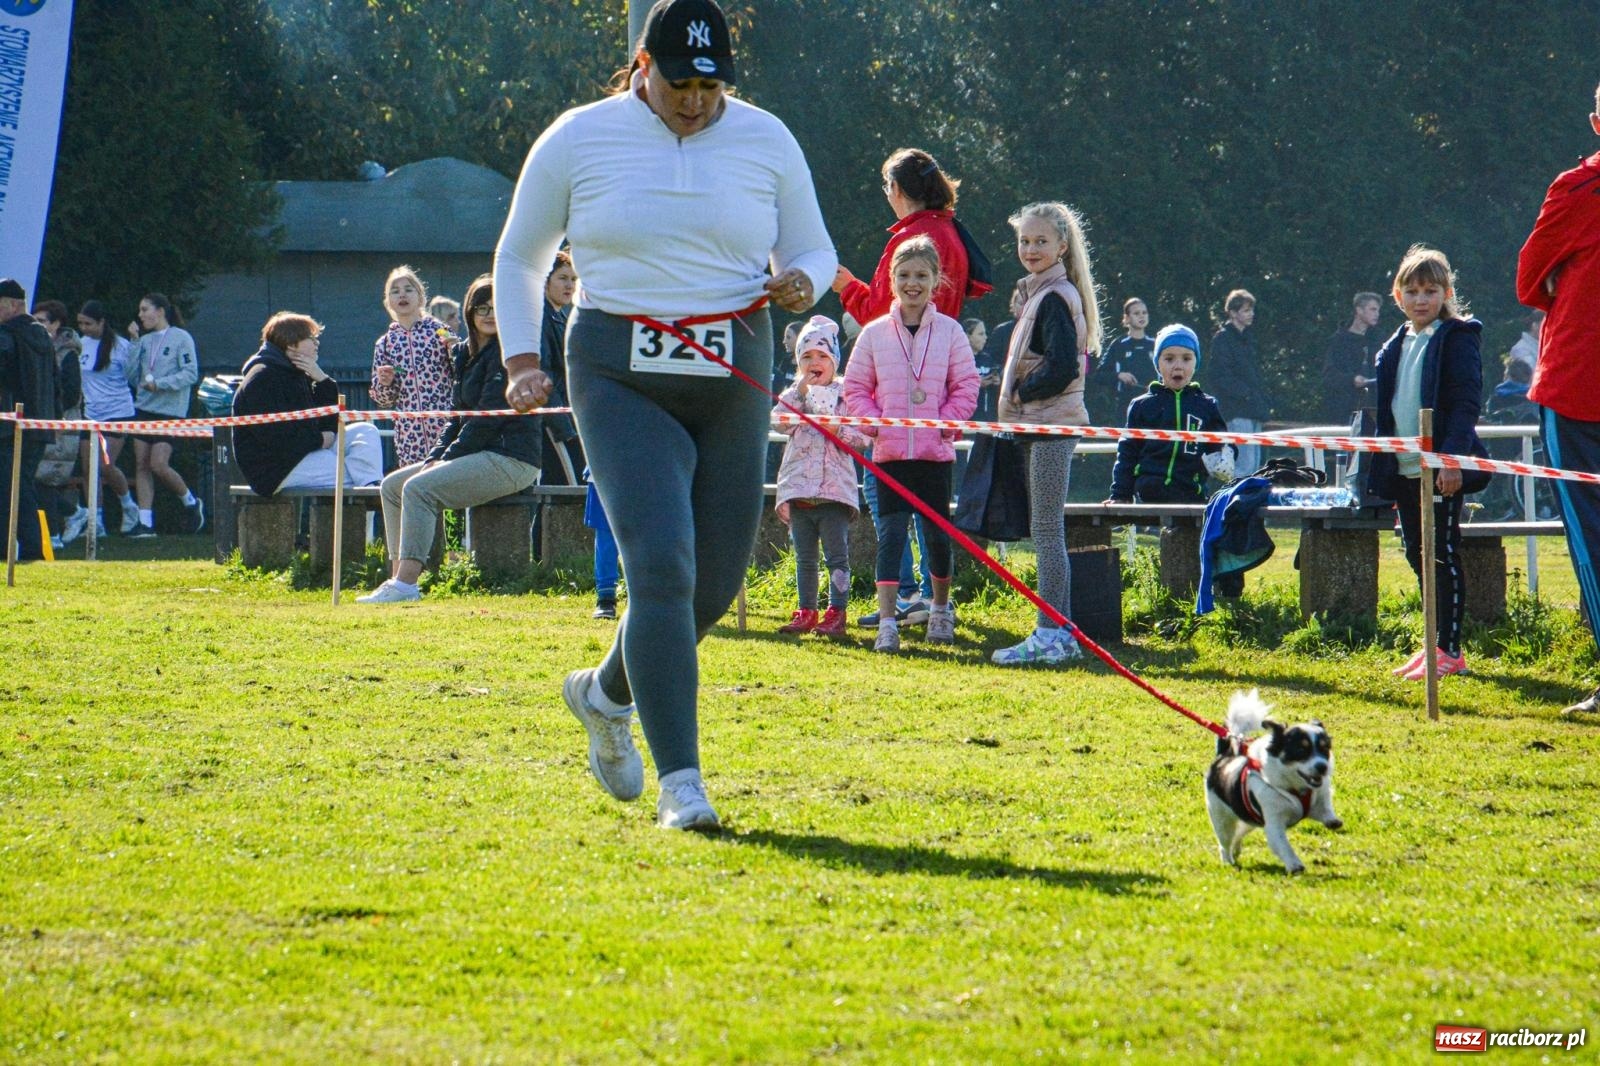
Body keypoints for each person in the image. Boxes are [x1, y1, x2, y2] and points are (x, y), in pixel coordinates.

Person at [493, 0, 835, 830]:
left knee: (711, 589)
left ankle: (603, 693)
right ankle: (684, 786)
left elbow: (815, 247)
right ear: (642, 65)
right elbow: (519, 254)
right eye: (679, 84)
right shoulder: (578, 136)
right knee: (660, 568)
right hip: (619, 370)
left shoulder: (766, 138)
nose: (695, 102)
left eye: (710, 86)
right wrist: (522, 360)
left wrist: (802, 284)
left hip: (732, 369)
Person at [363, 275, 541, 604]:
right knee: (391, 486)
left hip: (511, 458)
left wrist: (447, 459)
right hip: (473, 453)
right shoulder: (464, 354)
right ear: (471, 312)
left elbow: (486, 419)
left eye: (496, 308)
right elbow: (457, 415)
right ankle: (395, 578)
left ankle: (407, 585)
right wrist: (436, 455)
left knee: (419, 487)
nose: (489, 315)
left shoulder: (509, 356)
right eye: (481, 308)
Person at [843, 236, 979, 653]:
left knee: (937, 536)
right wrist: (875, 425)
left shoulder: (951, 331)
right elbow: (855, 386)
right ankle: (888, 621)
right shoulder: (874, 333)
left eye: (922, 275)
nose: (913, 283)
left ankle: (940, 609)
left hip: (934, 455)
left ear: (937, 280)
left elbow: (966, 384)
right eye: (904, 275)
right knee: (891, 536)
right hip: (889, 455)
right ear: (891, 279)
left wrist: (947, 424)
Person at [1516, 81, 1600, 715]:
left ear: (1597, 121)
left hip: (1577, 385)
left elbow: (1528, 282)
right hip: (1576, 383)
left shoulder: (1576, 190)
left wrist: (1566, 291)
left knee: (1593, 536)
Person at [989, 202, 1102, 666]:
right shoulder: (1040, 293)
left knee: (1048, 532)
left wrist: (1019, 389)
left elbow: (1061, 368)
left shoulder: (1055, 296)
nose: (1031, 249)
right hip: (1041, 423)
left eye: (1040, 241)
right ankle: (1060, 629)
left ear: (1061, 245)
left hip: (1052, 424)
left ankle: (1052, 631)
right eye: (1024, 241)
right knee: (1044, 529)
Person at [1369, 246, 1488, 681]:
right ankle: (1432, 644)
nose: (1422, 299)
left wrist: (1450, 460)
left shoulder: (1458, 336)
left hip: (1439, 468)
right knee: (1418, 555)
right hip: (1402, 468)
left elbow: (1464, 402)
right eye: (1413, 291)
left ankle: (1451, 650)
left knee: (1442, 553)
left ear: (1446, 292)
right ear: (1398, 296)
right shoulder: (1393, 344)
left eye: (1431, 290)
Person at [772, 316, 868, 638]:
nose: (814, 363)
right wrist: (799, 389)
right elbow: (779, 422)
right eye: (806, 357)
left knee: (836, 557)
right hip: (799, 490)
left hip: (834, 493)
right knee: (805, 558)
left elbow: (864, 436)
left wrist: (838, 428)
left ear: (835, 361)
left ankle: (837, 611)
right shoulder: (794, 395)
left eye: (822, 356)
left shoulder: (847, 395)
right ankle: (806, 610)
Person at [231, 312, 383, 497]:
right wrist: (319, 439)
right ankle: (372, 495)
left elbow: (328, 424)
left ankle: (372, 490)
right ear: (291, 344)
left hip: (306, 451)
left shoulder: (296, 372)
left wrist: (321, 380)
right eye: (312, 338)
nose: (317, 344)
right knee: (352, 477)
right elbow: (276, 438)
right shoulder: (262, 378)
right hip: (277, 468)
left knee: (366, 432)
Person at [831, 147, 990, 323]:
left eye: (887, 186)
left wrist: (848, 287)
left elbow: (880, 316)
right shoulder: (953, 232)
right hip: (943, 343)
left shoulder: (908, 239)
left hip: (908, 347)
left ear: (896, 187)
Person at [1105, 324, 1230, 504]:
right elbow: (1127, 455)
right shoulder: (1141, 405)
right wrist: (1120, 495)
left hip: (1192, 494)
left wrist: (1227, 453)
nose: (1178, 366)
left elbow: (1222, 442)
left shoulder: (1207, 405)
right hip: (1148, 494)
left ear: (1196, 362)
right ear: (1157, 363)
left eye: (1186, 359)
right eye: (1169, 359)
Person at [128, 293, 203, 537]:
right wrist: (134, 342)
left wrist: (160, 384)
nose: (140, 315)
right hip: (144, 408)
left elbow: (190, 373)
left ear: (160, 311)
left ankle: (191, 502)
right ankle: (145, 522)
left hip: (169, 411)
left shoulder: (181, 338)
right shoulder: (145, 340)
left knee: (159, 464)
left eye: (144, 309)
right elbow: (131, 376)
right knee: (141, 465)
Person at [370, 265, 453, 468]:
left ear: (421, 297)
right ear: (388, 302)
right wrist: (385, 383)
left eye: (408, 289)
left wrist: (454, 351)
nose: (402, 295)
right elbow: (382, 400)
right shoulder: (385, 343)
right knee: (413, 487)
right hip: (408, 432)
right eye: (395, 291)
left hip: (445, 425)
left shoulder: (439, 330)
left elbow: (462, 366)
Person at [0, 278, 57, 561]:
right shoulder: (43, 336)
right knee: (22, 488)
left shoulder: (7, 335)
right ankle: (36, 550)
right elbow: (60, 385)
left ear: (12, 305)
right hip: (42, 425)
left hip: (11, 427)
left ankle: (28, 550)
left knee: (10, 491)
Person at [74, 301, 142, 536]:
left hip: (118, 412)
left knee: (105, 466)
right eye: (80, 323)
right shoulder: (79, 345)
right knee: (87, 469)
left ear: (101, 322)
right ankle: (96, 521)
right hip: (90, 413)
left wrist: (135, 342)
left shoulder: (120, 346)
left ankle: (128, 507)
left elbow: (134, 377)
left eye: (89, 323)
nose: (84, 328)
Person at [30, 301, 86, 544]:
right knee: (34, 480)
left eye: (42, 321)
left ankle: (52, 536)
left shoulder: (68, 354)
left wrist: (49, 407)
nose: (38, 325)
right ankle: (73, 513)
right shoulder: (39, 350)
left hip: (62, 425)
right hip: (44, 421)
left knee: (45, 480)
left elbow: (72, 393)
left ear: (56, 324)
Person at [1208, 289, 1267, 475]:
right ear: (1233, 313)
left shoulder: (1248, 340)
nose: (1251, 314)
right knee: (1243, 466)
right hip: (1236, 410)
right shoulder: (1222, 339)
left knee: (1255, 465)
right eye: (1246, 310)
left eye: (1251, 310)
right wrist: (1245, 393)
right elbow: (1220, 376)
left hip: (1254, 409)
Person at [1318, 291, 1383, 424]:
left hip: (1373, 410)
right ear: (1359, 310)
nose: (1377, 314)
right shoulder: (1339, 341)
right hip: (1344, 410)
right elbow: (1328, 375)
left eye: (1378, 310)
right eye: (1373, 309)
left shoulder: (1378, 341)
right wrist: (1351, 380)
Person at [1100, 297, 1153, 422]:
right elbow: (1099, 375)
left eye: (1144, 313)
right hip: (1125, 408)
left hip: (1153, 406)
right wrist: (1119, 375)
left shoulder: (1155, 344)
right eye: (1136, 313)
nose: (1141, 316)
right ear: (1127, 318)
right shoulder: (1119, 345)